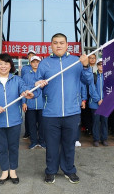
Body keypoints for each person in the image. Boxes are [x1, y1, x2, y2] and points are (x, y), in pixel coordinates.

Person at [35, 33, 92, 184]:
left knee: (69, 144)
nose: (58, 45)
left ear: (67, 45)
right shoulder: (44, 64)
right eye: (55, 43)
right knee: (51, 145)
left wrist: (86, 65)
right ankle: (51, 171)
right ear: (51, 45)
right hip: (50, 113)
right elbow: (36, 87)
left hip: (72, 111)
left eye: (61, 43)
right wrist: (36, 85)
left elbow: (88, 80)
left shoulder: (76, 61)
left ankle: (69, 170)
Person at [0, 53, 34, 186]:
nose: (3, 66)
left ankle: (13, 170)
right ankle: (4, 171)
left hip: (14, 120)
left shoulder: (17, 80)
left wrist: (26, 93)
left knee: (13, 146)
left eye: (6, 63)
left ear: (11, 65)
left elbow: (24, 89)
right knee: (1, 147)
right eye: (0, 63)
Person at [22, 55, 45, 149]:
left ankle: (42, 141)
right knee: (31, 125)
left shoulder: (43, 75)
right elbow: (23, 89)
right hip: (30, 104)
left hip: (42, 104)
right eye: (33, 62)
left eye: (37, 62)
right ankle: (34, 141)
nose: (35, 64)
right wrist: (24, 102)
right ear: (30, 63)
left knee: (42, 124)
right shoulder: (26, 75)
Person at [89, 58, 109, 147]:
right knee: (96, 122)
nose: (101, 66)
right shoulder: (93, 76)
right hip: (94, 104)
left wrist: (104, 100)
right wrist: (98, 100)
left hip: (105, 104)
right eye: (100, 64)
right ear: (97, 65)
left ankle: (104, 138)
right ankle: (96, 139)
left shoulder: (108, 76)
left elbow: (109, 90)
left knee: (104, 122)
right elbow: (91, 90)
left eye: (103, 64)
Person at [75, 82, 87, 147]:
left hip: (77, 103)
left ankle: (76, 139)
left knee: (77, 122)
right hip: (67, 103)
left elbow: (83, 89)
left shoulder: (79, 76)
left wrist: (83, 100)